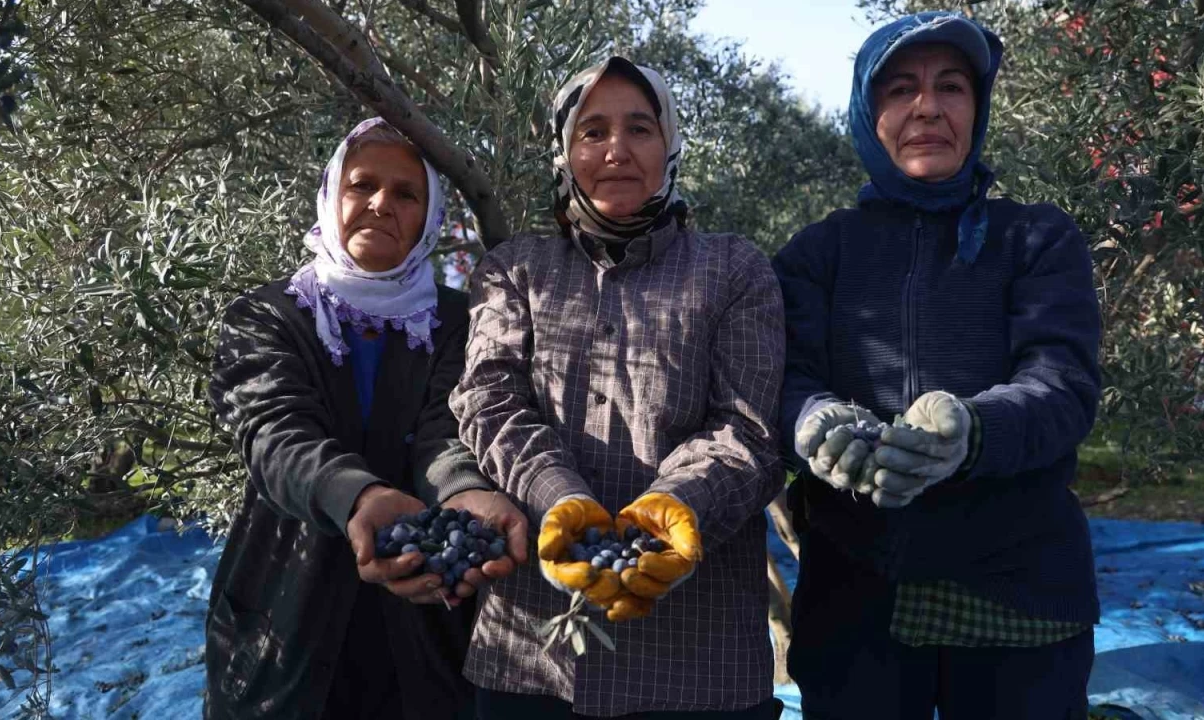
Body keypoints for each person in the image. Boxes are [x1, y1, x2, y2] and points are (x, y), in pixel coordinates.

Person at [773, 12, 1102, 720]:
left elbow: (1063, 384)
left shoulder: (1037, 239)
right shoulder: (817, 254)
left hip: (1019, 599)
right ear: (868, 111)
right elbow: (783, 376)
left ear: (978, 111)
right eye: (900, 89)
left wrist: (970, 430)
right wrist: (811, 420)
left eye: (951, 87)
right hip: (857, 605)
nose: (927, 106)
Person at [449, 57, 786, 719]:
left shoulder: (735, 269)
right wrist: (559, 498)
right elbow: (489, 401)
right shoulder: (515, 270)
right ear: (565, 151)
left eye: (639, 128)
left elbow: (748, 428)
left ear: (670, 145)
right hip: (533, 655)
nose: (616, 150)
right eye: (592, 131)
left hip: (699, 664)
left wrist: (671, 508)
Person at [205, 117, 529, 719]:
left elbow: (446, 430)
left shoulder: (458, 321)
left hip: (423, 629)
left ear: (430, 220)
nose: (381, 204)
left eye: (407, 194)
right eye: (362, 185)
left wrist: (463, 491)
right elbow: (275, 432)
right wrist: (355, 499)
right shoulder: (268, 316)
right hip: (284, 622)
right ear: (333, 196)